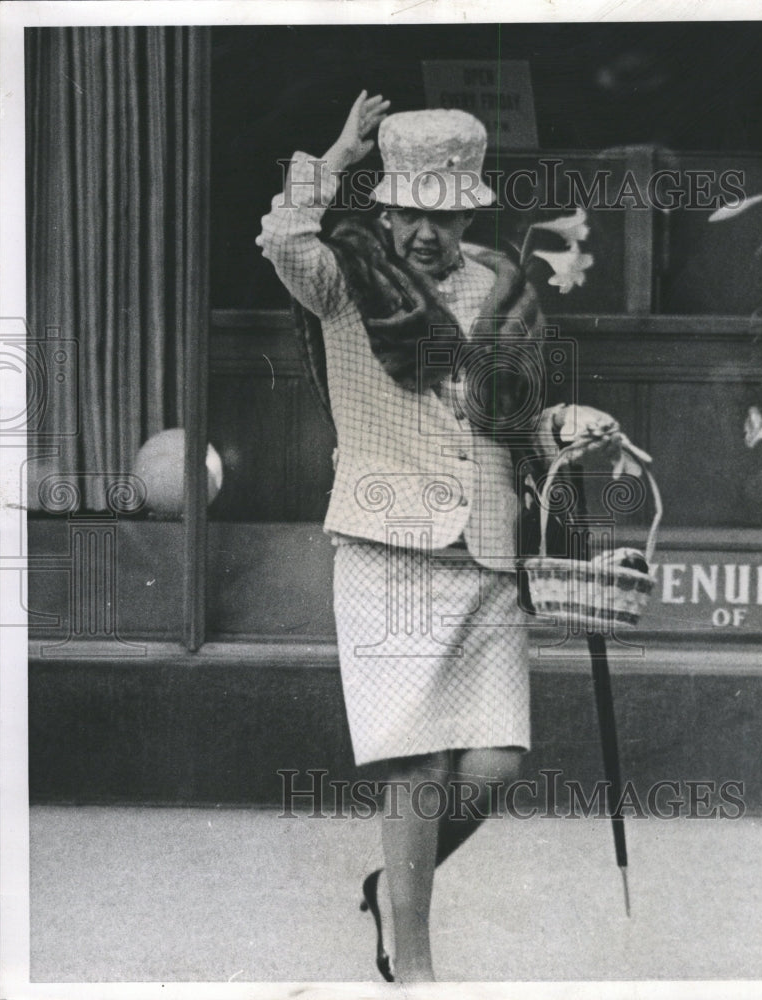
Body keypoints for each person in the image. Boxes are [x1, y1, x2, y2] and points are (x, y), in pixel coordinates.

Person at [256, 91, 625, 983]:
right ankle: (415, 963)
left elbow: (515, 425)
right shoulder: (341, 278)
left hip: (489, 547)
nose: (424, 232)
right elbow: (281, 236)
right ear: (383, 208)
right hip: (388, 546)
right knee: (416, 759)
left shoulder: (499, 288)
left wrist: (569, 423)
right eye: (408, 212)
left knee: (496, 761)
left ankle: (391, 887)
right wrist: (335, 155)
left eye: (443, 214)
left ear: (469, 212)